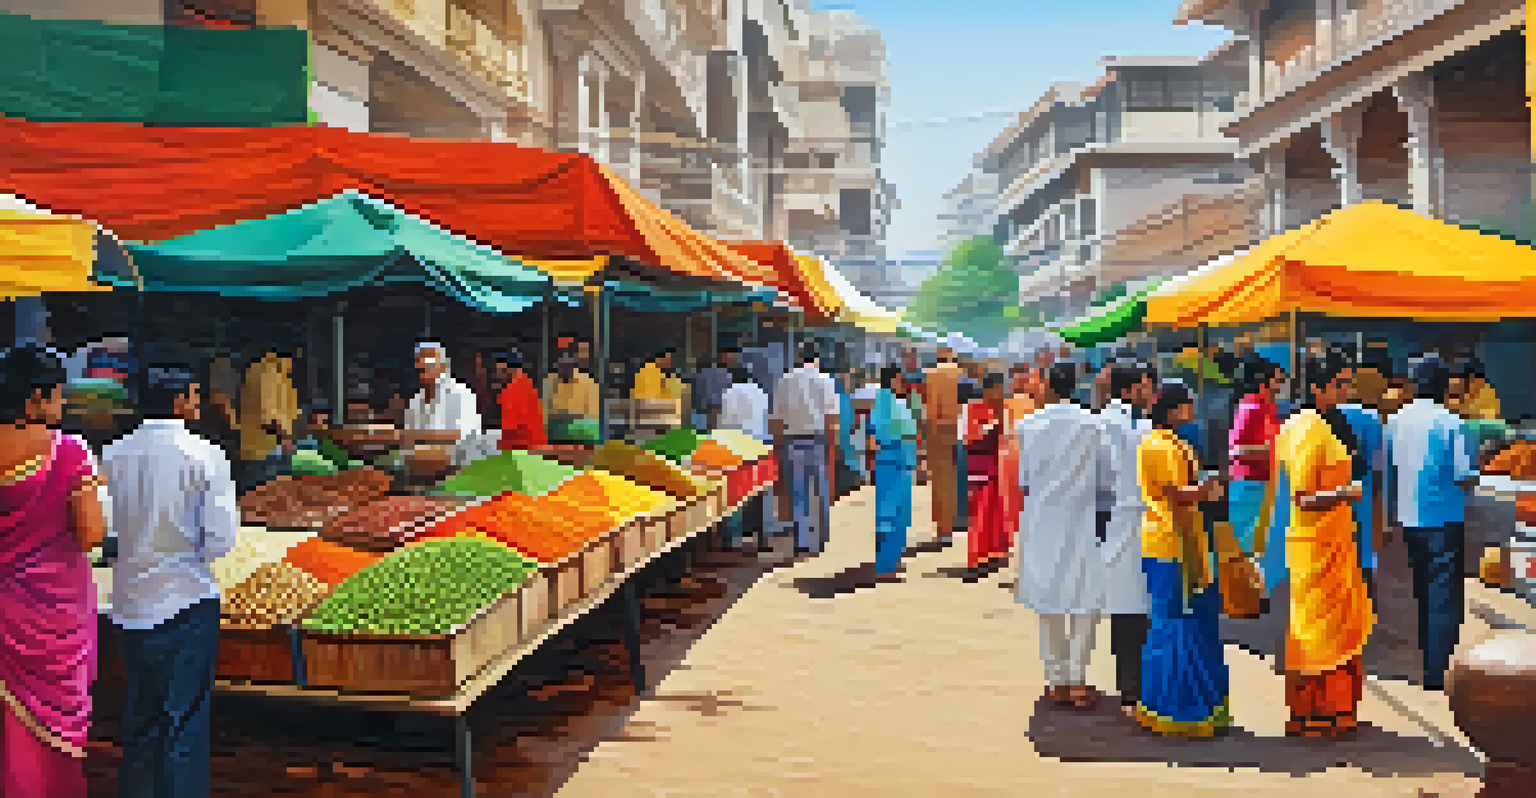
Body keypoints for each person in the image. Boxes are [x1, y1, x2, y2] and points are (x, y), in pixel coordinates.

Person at [104, 364, 239, 798]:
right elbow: (220, 541)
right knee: (182, 724)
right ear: (181, 401)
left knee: (141, 719)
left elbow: (104, 531)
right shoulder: (204, 454)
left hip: (129, 604)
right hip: (186, 600)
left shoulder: (112, 454)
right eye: (195, 396)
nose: (198, 404)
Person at [0, 346, 106, 798]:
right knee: (55, 733)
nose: (61, 407)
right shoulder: (68, 451)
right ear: (35, 399)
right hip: (56, 615)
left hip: (5, 611)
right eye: (58, 396)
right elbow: (92, 535)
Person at [1272, 351, 1373, 737]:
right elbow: (1301, 495)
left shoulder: (1330, 422)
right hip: (1314, 544)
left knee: (1342, 625)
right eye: (1339, 384)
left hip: (1336, 539)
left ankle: (1339, 709)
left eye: (1348, 383)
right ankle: (1313, 711)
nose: (1346, 391)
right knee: (1316, 630)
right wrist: (1344, 493)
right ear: (1316, 387)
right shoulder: (1305, 427)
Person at [1015, 362, 1115, 710]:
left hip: (1042, 519)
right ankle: (1076, 679)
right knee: (1085, 600)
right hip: (1083, 518)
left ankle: (1056, 679)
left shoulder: (1028, 425)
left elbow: (1023, 480)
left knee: (1048, 600)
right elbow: (1106, 479)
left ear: (1048, 387)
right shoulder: (1093, 424)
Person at [1135, 381, 1231, 736]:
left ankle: (1188, 703)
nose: (1192, 408)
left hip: (1181, 540)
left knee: (1182, 622)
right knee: (1173, 622)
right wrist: (1207, 488)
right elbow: (1175, 493)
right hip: (1169, 543)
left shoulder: (1173, 442)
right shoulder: (1159, 445)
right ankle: (1174, 706)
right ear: (1174, 409)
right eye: (1188, 403)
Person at [1387, 355, 1475, 691]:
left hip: (1409, 518)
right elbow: (1465, 476)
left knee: (1424, 593)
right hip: (1444, 519)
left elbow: (1387, 470)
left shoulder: (1395, 421)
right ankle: (1438, 672)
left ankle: (1429, 663)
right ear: (1444, 385)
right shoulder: (1452, 423)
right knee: (1444, 596)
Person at [1100, 361, 1156, 710]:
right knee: (1127, 604)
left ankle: (1135, 682)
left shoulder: (1139, 422)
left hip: (1135, 518)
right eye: (1145, 386)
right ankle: (1130, 684)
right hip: (1123, 517)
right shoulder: (1110, 422)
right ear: (1129, 389)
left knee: (1134, 604)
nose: (1150, 392)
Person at [770, 344, 840, 556]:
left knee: (797, 492)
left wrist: (778, 444)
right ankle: (821, 538)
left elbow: (776, 419)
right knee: (820, 491)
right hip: (819, 439)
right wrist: (832, 445)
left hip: (792, 440)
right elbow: (832, 417)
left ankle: (801, 540)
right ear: (817, 359)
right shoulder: (825, 380)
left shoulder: (784, 381)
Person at [215, 346, 299, 492]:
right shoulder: (269, 373)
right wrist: (284, 437)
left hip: (258, 450)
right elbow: (269, 414)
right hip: (268, 450)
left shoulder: (262, 371)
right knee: (270, 500)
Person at [1228, 357, 1286, 557]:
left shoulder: (1269, 409)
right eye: (1278, 380)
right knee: (1246, 550)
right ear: (1264, 383)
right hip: (1249, 487)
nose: (1281, 385)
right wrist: (1276, 451)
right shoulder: (1250, 408)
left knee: (1260, 549)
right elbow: (1236, 451)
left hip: (1265, 486)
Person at [1338, 371, 1388, 598]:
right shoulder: (1371, 418)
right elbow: (1378, 469)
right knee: (1363, 556)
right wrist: (1382, 517)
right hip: (1363, 498)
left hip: (1330, 497)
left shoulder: (1323, 415)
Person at [868, 366, 919, 582]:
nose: (903, 384)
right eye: (900, 379)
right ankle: (886, 565)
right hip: (893, 460)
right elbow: (873, 435)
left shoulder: (893, 402)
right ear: (892, 381)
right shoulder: (885, 401)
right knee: (890, 514)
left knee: (899, 513)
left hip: (900, 460)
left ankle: (893, 559)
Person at [718, 367, 773, 552]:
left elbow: (724, 423)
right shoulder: (760, 393)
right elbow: (766, 419)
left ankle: (733, 537)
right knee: (760, 491)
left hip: (736, 446)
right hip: (760, 445)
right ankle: (762, 538)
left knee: (735, 491)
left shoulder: (728, 394)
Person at [961, 373, 1009, 578]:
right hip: (981, 468)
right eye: (998, 389)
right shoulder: (973, 408)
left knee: (996, 515)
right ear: (989, 390)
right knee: (980, 515)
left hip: (999, 468)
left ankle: (995, 554)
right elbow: (968, 437)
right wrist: (990, 429)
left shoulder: (1004, 408)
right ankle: (976, 560)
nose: (1001, 393)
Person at [405, 342, 482, 444]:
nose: (423, 375)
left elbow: (464, 435)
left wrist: (412, 435)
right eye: (420, 369)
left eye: (428, 367)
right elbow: (408, 439)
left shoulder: (461, 393)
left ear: (443, 366)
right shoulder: (415, 400)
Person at [925, 347, 964, 546]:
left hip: (939, 432)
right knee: (959, 479)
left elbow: (930, 409)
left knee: (941, 483)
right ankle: (959, 521)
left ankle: (944, 529)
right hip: (962, 430)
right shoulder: (962, 373)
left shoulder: (931, 375)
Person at [495, 349, 546, 451]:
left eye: (499, 365)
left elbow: (510, 430)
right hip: (537, 449)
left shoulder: (512, 390)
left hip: (522, 451)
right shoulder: (527, 384)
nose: (496, 370)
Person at [544, 356, 601, 443]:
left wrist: (569, 416)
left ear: (572, 368)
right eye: (559, 369)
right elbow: (546, 411)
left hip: (582, 428)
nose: (562, 372)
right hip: (558, 428)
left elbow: (592, 416)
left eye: (565, 368)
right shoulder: (551, 381)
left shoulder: (588, 383)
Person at [692, 351, 734, 432]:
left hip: (704, 411)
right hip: (719, 410)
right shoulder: (726, 375)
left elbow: (697, 396)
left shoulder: (700, 375)